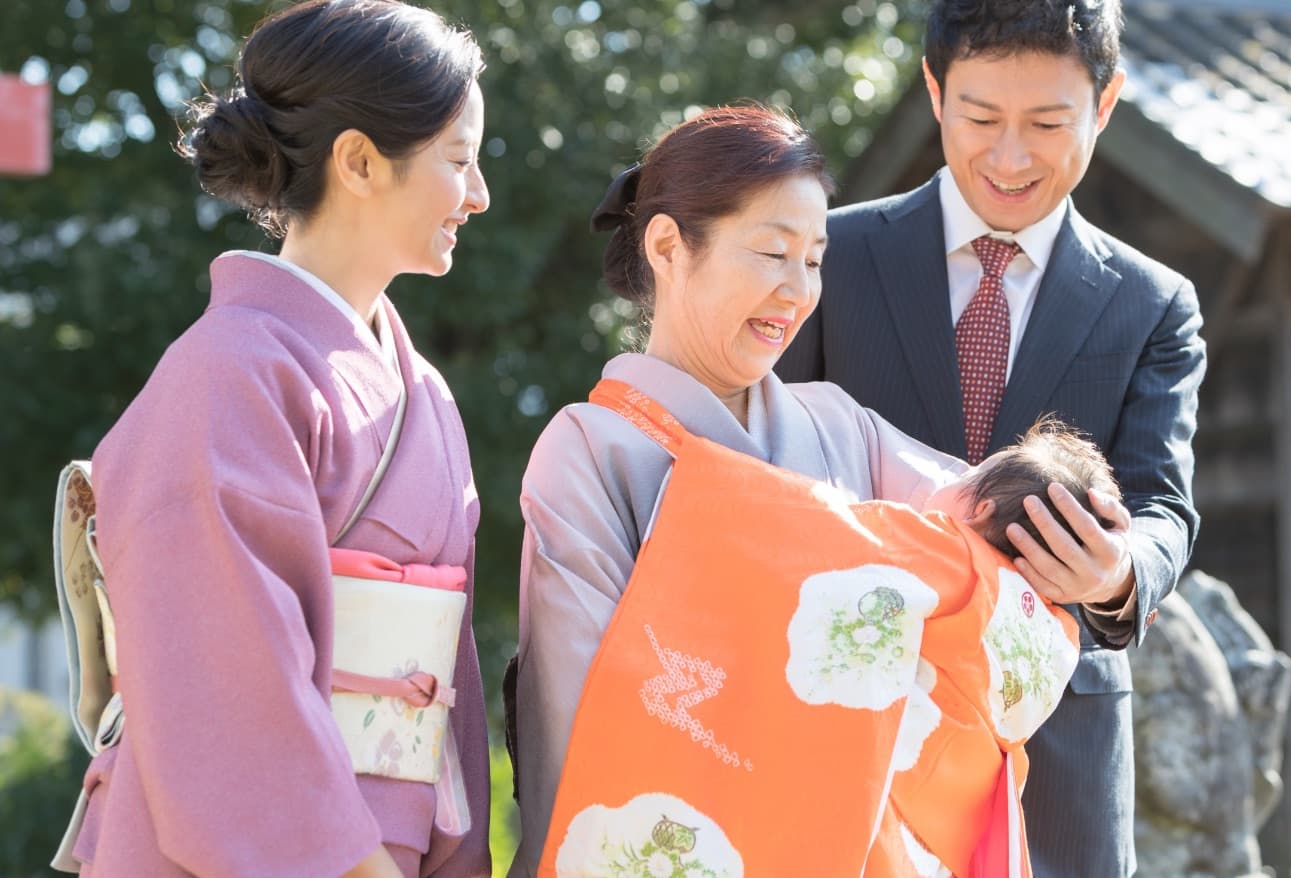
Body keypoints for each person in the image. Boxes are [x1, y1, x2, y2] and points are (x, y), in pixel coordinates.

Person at [507, 105, 1081, 878]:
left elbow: (986, 518)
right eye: (774, 253)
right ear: (668, 246)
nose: (797, 290)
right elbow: (574, 715)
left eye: (813, 261)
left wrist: (1081, 533)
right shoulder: (593, 451)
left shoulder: (841, 425)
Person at [60, 2, 493, 875]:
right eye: (458, 161)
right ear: (359, 161)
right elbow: (226, 682)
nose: (478, 195)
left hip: (399, 842)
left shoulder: (426, 391)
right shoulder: (225, 371)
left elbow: (450, 680)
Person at [775, 0, 1207, 873]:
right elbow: (770, 460)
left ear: (1105, 103)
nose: (1010, 159)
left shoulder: (1153, 304)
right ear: (935, 92)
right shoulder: (831, 257)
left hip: (1061, 737)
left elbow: (1163, 505)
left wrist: (1116, 571)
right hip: (851, 707)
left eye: (1047, 124)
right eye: (980, 119)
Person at [927, 416, 1122, 557]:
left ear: (981, 512)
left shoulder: (919, 556)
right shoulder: (1024, 597)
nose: (957, 471)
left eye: (969, 473)